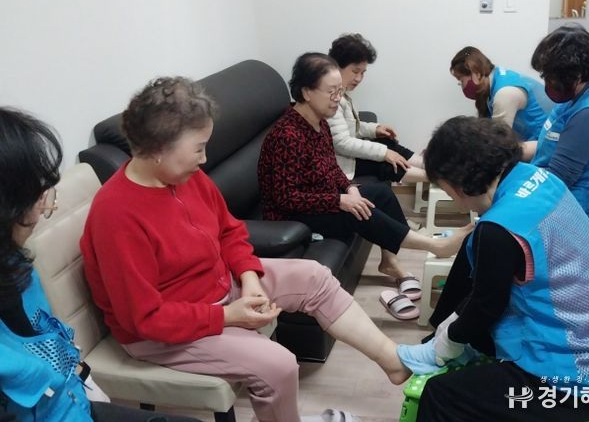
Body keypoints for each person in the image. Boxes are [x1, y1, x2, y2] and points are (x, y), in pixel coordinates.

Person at [79, 77, 414, 422]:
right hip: (163, 334)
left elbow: (229, 230)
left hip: (219, 288)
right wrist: (228, 316)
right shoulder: (117, 216)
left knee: (314, 276)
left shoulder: (185, 177)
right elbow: (144, 318)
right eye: (198, 148)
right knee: (278, 364)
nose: (204, 159)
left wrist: (249, 277)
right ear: (159, 148)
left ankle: (394, 361)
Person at [401, 116, 589, 421]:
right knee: (473, 277)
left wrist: (447, 340)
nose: (455, 202)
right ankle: (442, 345)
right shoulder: (538, 178)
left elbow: (486, 305)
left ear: (460, 184)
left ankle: (439, 349)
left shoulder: (498, 229)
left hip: (579, 383)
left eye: (448, 191)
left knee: (440, 394)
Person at [0, 108, 200, 422]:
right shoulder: (117, 211)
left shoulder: (15, 263)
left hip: (74, 403)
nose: (43, 209)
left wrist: (85, 379)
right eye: (35, 197)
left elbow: (48, 338)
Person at [258, 52, 470, 307]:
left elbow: (330, 166)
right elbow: (285, 198)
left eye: (340, 92)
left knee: (379, 193)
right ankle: (436, 247)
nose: (338, 99)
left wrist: (349, 188)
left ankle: (390, 262)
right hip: (293, 214)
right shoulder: (287, 136)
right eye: (331, 92)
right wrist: (339, 201)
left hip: (322, 198)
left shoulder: (319, 123)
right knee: (356, 212)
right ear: (306, 92)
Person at [525, 24, 589, 241]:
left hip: (581, 220)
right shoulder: (581, 91)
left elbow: (557, 180)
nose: (546, 82)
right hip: (564, 201)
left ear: (578, 75)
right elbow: (553, 144)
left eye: (550, 76)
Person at [327, 33, 427, 183]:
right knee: (384, 161)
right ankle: (437, 177)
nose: (359, 78)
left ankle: (433, 167)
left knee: (387, 143)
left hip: (347, 155)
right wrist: (384, 153)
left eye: (363, 73)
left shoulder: (342, 93)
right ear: (336, 67)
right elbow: (342, 143)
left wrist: (375, 129)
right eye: (355, 72)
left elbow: (349, 126)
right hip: (341, 163)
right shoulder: (330, 98)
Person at [450, 46, 551, 141]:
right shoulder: (495, 79)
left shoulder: (504, 93)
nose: (461, 85)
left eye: (461, 80)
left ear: (477, 73)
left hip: (543, 146)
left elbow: (498, 143)